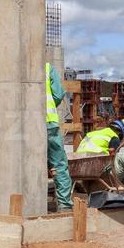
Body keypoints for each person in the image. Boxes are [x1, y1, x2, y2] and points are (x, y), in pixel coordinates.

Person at [46, 62, 73, 211]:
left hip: (26, 126)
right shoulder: (47, 67)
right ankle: (65, 205)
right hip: (50, 123)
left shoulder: (14, 66)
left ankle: (26, 203)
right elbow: (58, 93)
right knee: (59, 164)